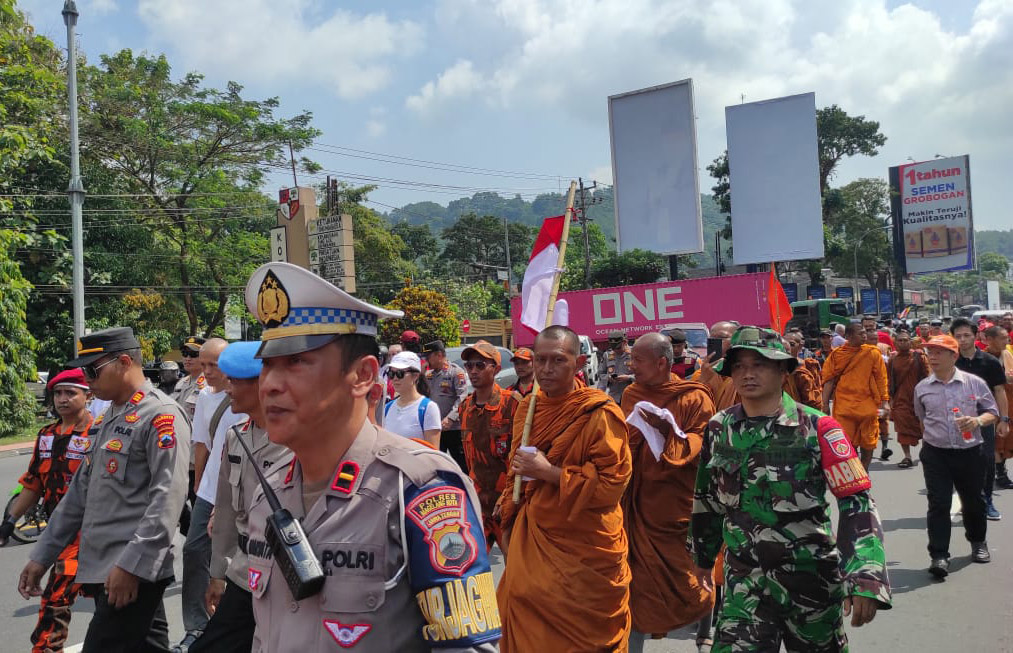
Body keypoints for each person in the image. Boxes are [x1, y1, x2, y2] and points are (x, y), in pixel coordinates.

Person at [241, 261, 500, 652]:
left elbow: (465, 647)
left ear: (363, 376)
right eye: (267, 366)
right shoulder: (268, 493)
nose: (271, 385)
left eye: (296, 362)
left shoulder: (417, 487)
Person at [690, 326, 891, 652]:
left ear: (783, 370)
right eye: (739, 366)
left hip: (810, 583)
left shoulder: (819, 428)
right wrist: (700, 558)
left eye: (759, 364)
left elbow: (857, 503)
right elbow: (708, 500)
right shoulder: (719, 429)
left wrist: (865, 574)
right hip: (745, 586)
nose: (747, 374)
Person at [19, 327, 191, 652]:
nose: (87, 379)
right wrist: (42, 554)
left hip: (130, 569)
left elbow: (167, 500)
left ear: (124, 362)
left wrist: (130, 566)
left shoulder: (160, 416)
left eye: (92, 370)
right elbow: (78, 496)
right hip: (103, 568)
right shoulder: (109, 417)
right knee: (150, 646)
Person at [496, 325, 632, 652]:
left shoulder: (598, 413)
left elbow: (612, 485)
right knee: (523, 606)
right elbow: (517, 470)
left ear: (579, 362)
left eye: (557, 360)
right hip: (536, 536)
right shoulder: (528, 409)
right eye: (540, 360)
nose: (546, 369)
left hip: (585, 547)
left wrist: (549, 472)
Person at [192, 342, 291, 653]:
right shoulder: (236, 437)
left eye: (235, 381)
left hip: (285, 576)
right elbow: (224, 513)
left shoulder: (296, 439)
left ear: (261, 384)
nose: (228, 389)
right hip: (244, 571)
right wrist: (218, 575)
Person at [621, 333, 715, 652]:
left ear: (661, 363)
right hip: (638, 504)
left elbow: (703, 444)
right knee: (634, 588)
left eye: (637, 360)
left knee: (693, 583)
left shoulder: (693, 397)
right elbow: (624, 441)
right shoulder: (632, 394)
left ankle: (705, 628)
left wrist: (670, 434)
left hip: (676, 504)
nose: (631, 366)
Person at [2, 369, 93, 653]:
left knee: (56, 597)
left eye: (70, 393)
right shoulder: (46, 435)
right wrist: (9, 520)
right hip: (57, 531)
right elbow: (33, 483)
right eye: (58, 393)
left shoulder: (99, 433)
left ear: (87, 396)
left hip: (90, 531)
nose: (62, 400)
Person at [176, 338, 246, 652]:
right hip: (208, 490)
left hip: (237, 490)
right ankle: (196, 624)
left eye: (214, 365)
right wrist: (199, 482)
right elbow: (202, 441)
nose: (207, 371)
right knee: (193, 551)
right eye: (203, 365)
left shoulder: (246, 393)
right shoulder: (204, 396)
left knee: (232, 558)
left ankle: (229, 621)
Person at [913, 335, 1000, 577]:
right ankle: (939, 556)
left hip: (970, 453)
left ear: (954, 356)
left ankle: (978, 542)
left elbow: (992, 412)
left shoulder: (974, 383)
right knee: (938, 503)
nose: (932, 356)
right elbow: (922, 420)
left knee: (974, 501)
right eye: (930, 351)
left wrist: (976, 421)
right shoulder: (922, 388)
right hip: (935, 453)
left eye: (939, 352)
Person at [459, 341, 516, 555]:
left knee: (517, 572)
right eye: (469, 365)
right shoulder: (465, 407)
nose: (473, 371)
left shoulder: (513, 405)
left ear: (497, 369)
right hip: (477, 505)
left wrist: (511, 498)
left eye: (480, 365)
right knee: (472, 567)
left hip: (507, 504)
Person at [951, 317, 1009, 521]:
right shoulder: (951, 361)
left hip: (985, 419)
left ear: (976, 336)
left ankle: (988, 502)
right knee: (960, 463)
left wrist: (1004, 419)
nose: (963, 340)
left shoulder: (989, 362)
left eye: (967, 335)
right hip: (956, 421)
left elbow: (1000, 391)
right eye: (958, 336)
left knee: (986, 460)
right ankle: (968, 501)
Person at [821, 322, 889, 470]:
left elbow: (881, 378)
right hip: (844, 407)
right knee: (847, 443)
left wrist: (885, 401)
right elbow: (829, 380)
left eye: (865, 333)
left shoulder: (872, 353)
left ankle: (864, 471)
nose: (865, 336)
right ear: (849, 336)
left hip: (868, 405)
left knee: (868, 442)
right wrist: (825, 404)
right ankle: (854, 472)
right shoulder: (837, 355)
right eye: (861, 334)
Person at [423, 340, 470, 472]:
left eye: (429, 356)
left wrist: (450, 418)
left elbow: (463, 397)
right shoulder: (429, 375)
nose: (427, 360)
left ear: (439, 355)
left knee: (460, 464)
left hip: (454, 428)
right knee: (438, 464)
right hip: (436, 428)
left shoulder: (455, 372)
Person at [888, 329, 929, 468]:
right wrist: (889, 400)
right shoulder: (893, 360)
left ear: (910, 342)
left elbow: (927, 376)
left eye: (906, 340)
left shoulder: (919, 357)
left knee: (924, 426)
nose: (903, 343)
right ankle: (907, 456)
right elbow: (890, 380)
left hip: (919, 398)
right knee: (902, 428)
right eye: (900, 340)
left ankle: (926, 452)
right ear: (895, 343)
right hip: (901, 399)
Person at [384, 351, 442, 446]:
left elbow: (433, 454)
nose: (395, 378)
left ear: (415, 376)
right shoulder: (387, 408)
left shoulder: (428, 408)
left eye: (400, 373)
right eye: (391, 374)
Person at [983, 324, 1013, 489]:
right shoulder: (983, 358)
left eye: (1007, 337)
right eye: (1002, 338)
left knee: (1006, 439)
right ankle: (1000, 473)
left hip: (1007, 403)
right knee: (993, 440)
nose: (1006, 341)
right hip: (988, 405)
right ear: (989, 340)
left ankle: (1000, 469)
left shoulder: (1007, 354)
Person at [694, 321, 741, 411]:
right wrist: (703, 379)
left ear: (736, 340)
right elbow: (690, 406)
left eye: (721, 338)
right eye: (711, 338)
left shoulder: (745, 373)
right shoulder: (701, 373)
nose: (715, 342)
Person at [173, 336, 207, 421]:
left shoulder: (208, 384)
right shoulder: (181, 383)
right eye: (184, 353)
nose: (188, 358)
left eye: (193, 354)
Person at [598, 329, 634, 403]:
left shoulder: (635, 353)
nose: (616, 350)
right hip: (614, 398)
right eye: (613, 348)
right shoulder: (607, 355)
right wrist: (608, 378)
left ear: (625, 342)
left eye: (618, 348)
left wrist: (629, 378)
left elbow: (645, 375)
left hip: (632, 397)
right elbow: (601, 374)